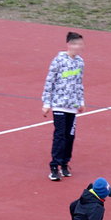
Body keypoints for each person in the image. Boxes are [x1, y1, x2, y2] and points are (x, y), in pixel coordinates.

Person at [42, 31, 86, 181]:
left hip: (72, 106)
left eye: (81, 44)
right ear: (69, 44)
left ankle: (65, 164)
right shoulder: (58, 61)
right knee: (60, 135)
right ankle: (54, 166)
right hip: (59, 105)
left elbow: (79, 83)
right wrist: (46, 103)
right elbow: (50, 82)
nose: (79, 47)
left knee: (70, 136)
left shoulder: (80, 62)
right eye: (76, 44)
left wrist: (81, 102)